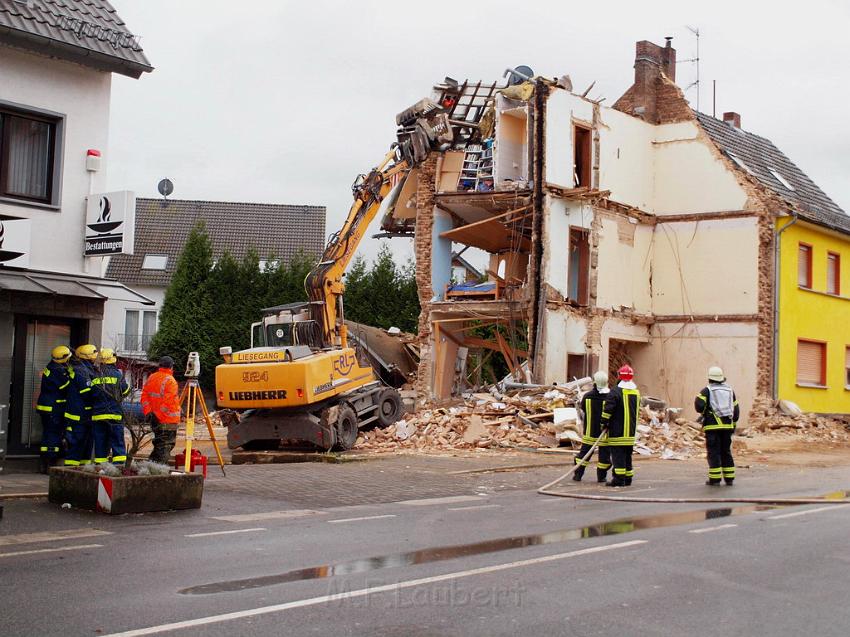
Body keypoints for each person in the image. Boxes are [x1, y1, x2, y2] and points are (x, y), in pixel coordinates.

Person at [695, 366, 739, 485]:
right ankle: (729, 478)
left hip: (712, 427)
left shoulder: (707, 390)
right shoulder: (730, 390)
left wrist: (705, 412)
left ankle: (715, 479)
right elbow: (736, 409)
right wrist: (733, 424)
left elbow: (699, 405)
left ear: (709, 378)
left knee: (714, 452)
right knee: (726, 451)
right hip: (727, 427)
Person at [601, 364, 641, 487]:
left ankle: (618, 480)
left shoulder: (615, 391)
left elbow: (608, 410)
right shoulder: (636, 392)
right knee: (627, 457)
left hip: (618, 432)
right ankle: (628, 478)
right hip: (630, 433)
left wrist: (604, 423)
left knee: (618, 457)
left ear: (619, 376)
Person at [35, 345, 73, 473]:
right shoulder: (58, 371)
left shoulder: (51, 366)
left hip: (46, 407)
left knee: (47, 434)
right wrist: (72, 377)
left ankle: (44, 463)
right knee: (53, 435)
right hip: (54, 408)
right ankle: (50, 465)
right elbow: (65, 387)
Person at [90, 348, 130, 466]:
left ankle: (100, 465)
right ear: (113, 360)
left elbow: (91, 394)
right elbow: (126, 390)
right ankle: (119, 465)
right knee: (117, 441)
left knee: (100, 441)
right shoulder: (117, 375)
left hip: (98, 415)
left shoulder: (95, 375)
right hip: (114, 414)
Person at [573, 370, 612, 482]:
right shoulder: (610, 397)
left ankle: (578, 475)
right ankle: (601, 477)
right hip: (604, 433)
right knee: (604, 458)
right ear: (606, 382)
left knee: (584, 455)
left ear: (594, 383)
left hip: (589, 431)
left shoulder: (587, 396)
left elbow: (583, 410)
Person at [141, 356, 181, 464]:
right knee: (165, 446)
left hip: (154, 419)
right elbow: (168, 402)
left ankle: (151, 466)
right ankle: (158, 470)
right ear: (171, 367)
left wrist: (149, 413)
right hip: (167, 420)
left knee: (159, 444)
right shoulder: (171, 381)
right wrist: (158, 415)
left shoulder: (152, 377)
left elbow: (144, 396)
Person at [63, 344, 98, 467]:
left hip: (84, 413)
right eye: (94, 355)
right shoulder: (81, 371)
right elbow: (87, 392)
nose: (95, 358)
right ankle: (70, 469)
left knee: (86, 443)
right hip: (79, 414)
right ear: (88, 356)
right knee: (77, 442)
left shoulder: (85, 369)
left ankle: (83, 468)